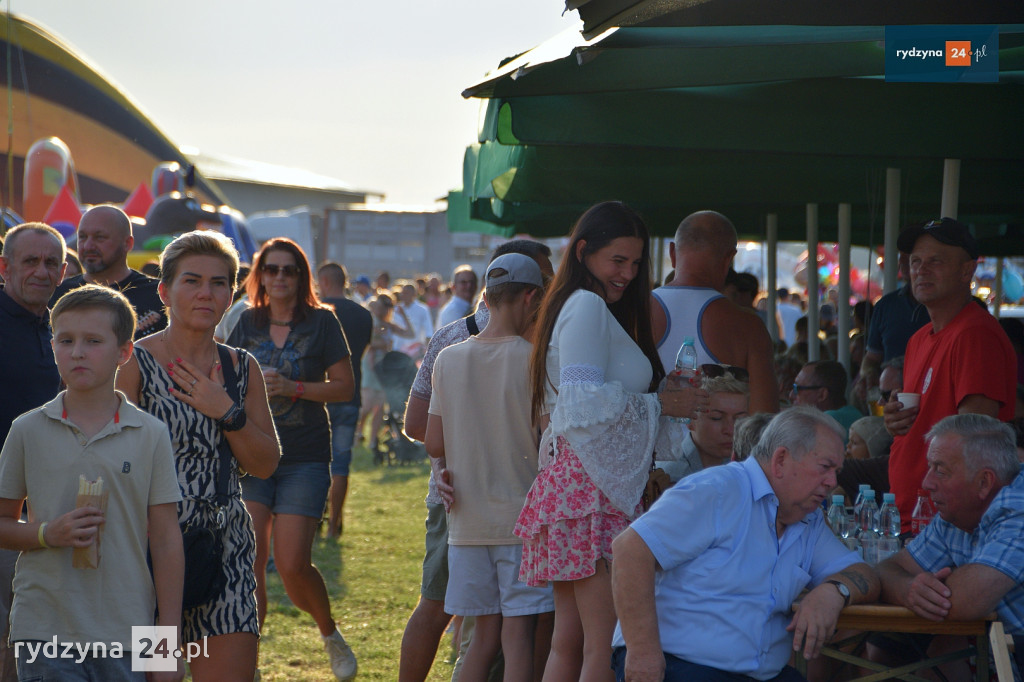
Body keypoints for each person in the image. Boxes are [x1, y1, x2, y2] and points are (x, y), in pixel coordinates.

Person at [514, 201, 703, 681]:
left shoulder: (577, 305)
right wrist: (662, 406)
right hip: (590, 489)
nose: (628, 273)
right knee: (602, 646)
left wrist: (658, 402)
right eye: (618, 260)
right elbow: (582, 407)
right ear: (583, 252)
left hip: (577, 485)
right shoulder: (587, 305)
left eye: (636, 263)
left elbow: (581, 405)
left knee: (572, 643)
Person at [116, 231, 281, 682]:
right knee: (158, 675)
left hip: (223, 544)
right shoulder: (134, 362)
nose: (206, 293)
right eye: (192, 281)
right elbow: (108, 458)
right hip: (148, 550)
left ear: (231, 294)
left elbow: (266, 463)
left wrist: (224, 409)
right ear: (165, 291)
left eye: (219, 282)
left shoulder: (239, 367)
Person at [611, 407, 880, 682]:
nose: (833, 481)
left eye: (837, 470)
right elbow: (630, 550)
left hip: (761, 673)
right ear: (781, 460)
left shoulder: (807, 520)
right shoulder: (718, 490)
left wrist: (833, 592)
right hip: (680, 664)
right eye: (825, 467)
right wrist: (643, 652)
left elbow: (866, 574)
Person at [0, 285, 185, 682]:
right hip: (44, 629)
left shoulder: (150, 433)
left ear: (124, 352)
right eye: (65, 340)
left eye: (93, 341)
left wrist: (166, 647)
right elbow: (2, 524)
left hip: (126, 631)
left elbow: (167, 540)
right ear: (52, 346)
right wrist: (49, 533)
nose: (77, 352)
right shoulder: (27, 430)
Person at [398, 239, 553, 682]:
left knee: (481, 639)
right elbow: (550, 439)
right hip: (521, 522)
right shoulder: (534, 361)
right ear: (532, 297)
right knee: (518, 639)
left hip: (465, 525)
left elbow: (432, 442)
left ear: (484, 297)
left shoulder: (448, 357)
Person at [225, 238, 357, 680]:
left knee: (292, 563)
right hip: (253, 454)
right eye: (272, 269)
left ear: (302, 277)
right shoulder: (246, 322)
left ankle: (329, 633)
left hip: (304, 455)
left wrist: (294, 388)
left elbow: (343, 387)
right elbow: (226, 380)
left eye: (289, 270)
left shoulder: (322, 322)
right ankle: (252, 663)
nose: (279, 277)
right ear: (259, 275)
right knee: (252, 559)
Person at [884, 218, 1017, 532]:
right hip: (911, 511)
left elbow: (976, 441)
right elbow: (926, 415)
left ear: (967, 270)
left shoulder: (975, 334)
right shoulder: (919, 338)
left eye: (936, 261)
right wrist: (894, 421)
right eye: (916, 261)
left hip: (946, 522)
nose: (921, 269)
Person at [876, 414, 1024, 675]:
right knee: (885, 647)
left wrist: (916, 589)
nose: (927, 482)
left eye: (940, 471)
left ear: (984, 482)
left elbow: (967, 600)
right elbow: (889, 568)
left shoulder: (1019, 506)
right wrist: (907, 587)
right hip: (1004, 658)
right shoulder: (957, 513)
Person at [0, 222, 68, 679]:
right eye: (30, 261)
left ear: (64, 272)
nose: (41, 272)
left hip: (47, 501)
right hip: (6, 505)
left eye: (50, 263)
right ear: (4, 267)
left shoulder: (66, 329)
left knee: (28, 627)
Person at [652, 210, 778, 414]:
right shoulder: (748, 326)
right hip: (720, 446)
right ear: (729, 258)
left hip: (645, 445)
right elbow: (763, 421)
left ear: (672, 252)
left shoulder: (636, 312)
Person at [51, 205, 167, 339]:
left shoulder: (158, 295)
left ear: (127, 243)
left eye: (99, 237)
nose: (88, 246)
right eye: (82, 237)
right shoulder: (58, 295)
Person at [317, 262, 373, 538]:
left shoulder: (315, 311)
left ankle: (313, 520)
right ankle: (334, 524)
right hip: (350, 393)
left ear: (324, 281)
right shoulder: (363, 315)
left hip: (317, 393)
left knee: (313, 461)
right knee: (341, 463)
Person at [657, 366, 750, 482]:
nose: (730, 430)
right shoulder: (671, 477)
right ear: (689, 420)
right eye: (717, 418)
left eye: (740, 419)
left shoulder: (749, 469)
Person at [358, 292, 413, 455]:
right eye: (383, 307)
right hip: (370, 363)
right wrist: (381, 343)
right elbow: (365, 340)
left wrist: (403, 315)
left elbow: (410, 334)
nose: (384, 311)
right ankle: (358, 432)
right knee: (367, 402)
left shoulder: (388, 324)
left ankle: (373, 440)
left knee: (380, 404)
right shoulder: (370, 321)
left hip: (384, 366)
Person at [791, 360, 863, 436]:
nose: (791, 395)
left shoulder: (825, 423)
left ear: (822, 395)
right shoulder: (854, 414)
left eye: (797, 388)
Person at [396, 281, 434, 359]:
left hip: (416, 352)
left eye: (406, 293)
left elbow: (428, 331)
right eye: (403, 293)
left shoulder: (423, 309)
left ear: (414, 294)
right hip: (398, 350)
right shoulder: (396, 309)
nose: (403, 295)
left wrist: (427, 350)